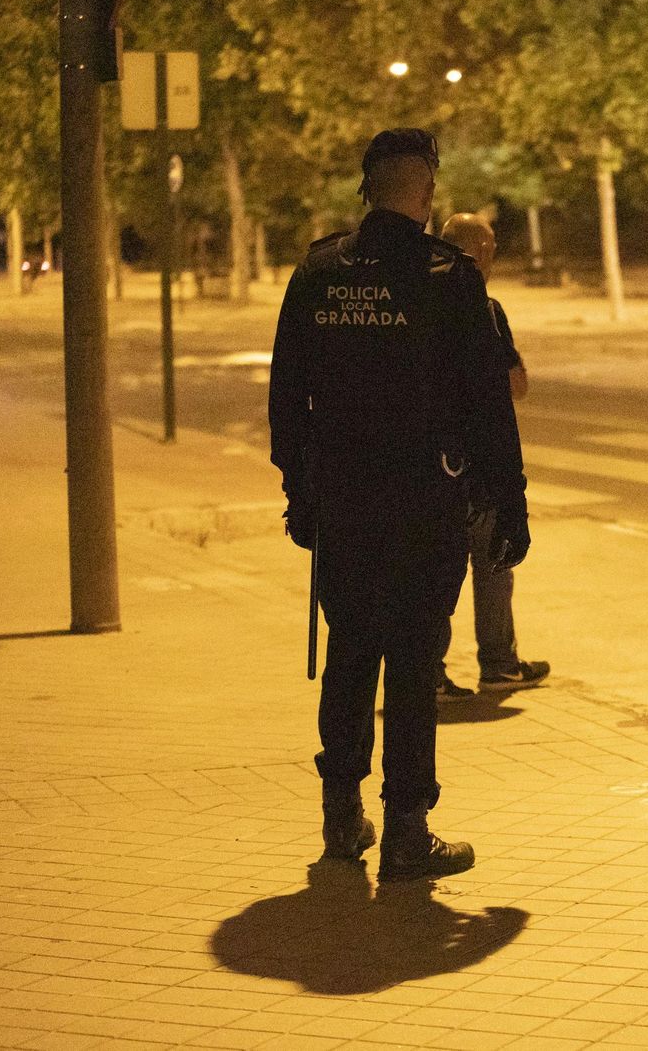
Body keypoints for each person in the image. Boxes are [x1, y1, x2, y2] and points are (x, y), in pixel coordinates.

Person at [268, 128, 529, 881]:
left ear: (368, 186)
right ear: (424, 189)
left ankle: (343, 816)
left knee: (351, 653)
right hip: (423, 504)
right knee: (414, 662)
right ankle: (409, 829)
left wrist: (302, 492)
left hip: (345, 506)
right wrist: (507, 502)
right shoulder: (446, 277)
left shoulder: (319, 271)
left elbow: (288, 398)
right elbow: (488, 403)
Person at [433, 212, 550, 699]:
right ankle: (497, 662)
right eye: (493, 247)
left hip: (431, 462)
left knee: (435, 572)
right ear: (478, 253)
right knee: (494, 564)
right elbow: (514, 384)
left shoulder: (419, 302)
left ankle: (427, 668)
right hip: (479, 462)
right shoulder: (485, 309)